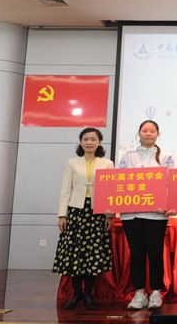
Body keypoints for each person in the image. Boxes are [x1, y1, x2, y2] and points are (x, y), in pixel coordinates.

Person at [53, 127, 114, 310]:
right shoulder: (72, 163)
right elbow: (66, 189)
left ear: (99, 142)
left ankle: (88, 294)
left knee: (92, 254)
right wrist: (62, 215)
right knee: (75, 254)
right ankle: (76, 294)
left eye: (93, 139)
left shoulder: (107, 163)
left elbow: (110, 190)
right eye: (86, 139)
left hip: (97, 212)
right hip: (76, 211)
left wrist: (109, 214)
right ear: (81, 142)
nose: (89, 142)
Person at [118, 120, 174, 310]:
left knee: (155, 252)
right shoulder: (128, 155)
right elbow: (119, 183)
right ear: (139, 133)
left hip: (156, 214)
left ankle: (156, 291)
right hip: (131, 214)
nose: (148, 134)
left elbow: (170, 183)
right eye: (145, 130)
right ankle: (140, 292)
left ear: (158, 134)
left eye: (152, 131)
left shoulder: (166, 156)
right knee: (137, 253)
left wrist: (165, 203)